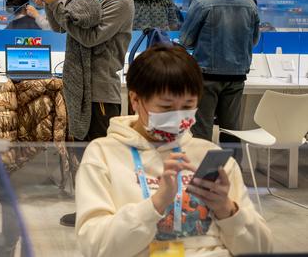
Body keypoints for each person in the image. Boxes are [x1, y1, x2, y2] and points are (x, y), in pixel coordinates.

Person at [75, 45, 272, 257]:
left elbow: (261, 250)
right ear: (135, 100)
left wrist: (227, 209)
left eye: (188, 106)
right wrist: (156, 203)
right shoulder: (103, 154)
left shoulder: (209, 155)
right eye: (166, 107)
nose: (178, 116)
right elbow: (95, 248)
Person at [42, 0, 136, 227]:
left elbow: (90, 37)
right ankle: (88, 209)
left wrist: (58, 6)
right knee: (80, 151)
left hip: (99, 92)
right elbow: (62, 25)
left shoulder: (120, 1)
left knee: (97, 155)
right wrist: (53, 5)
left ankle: (99, 212)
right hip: (79, 86)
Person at [180, 0, 260, 149]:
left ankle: (201, 177)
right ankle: (230, 174)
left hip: (206, 77)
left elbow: (186, 40)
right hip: (237, 77)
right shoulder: (250, 5)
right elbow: (254, 40)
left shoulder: (202, 3)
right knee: (231, 132)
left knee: (201, 133)